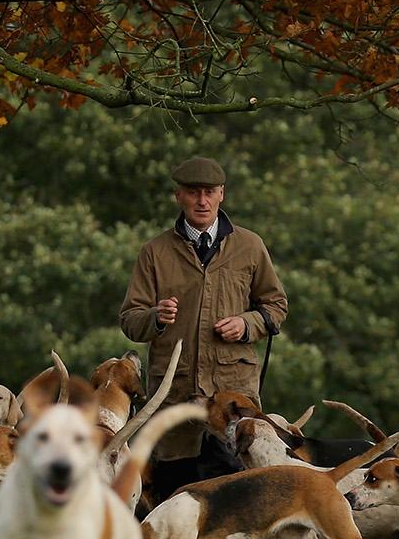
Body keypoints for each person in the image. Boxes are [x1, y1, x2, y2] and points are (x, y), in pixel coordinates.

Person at [118, 156, 288, 462]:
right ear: (179, 195)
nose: (202, 200)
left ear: (221, 194)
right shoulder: (154, 252)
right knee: (174, 489)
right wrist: (155, 317)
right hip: (174, 397)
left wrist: (246, 323)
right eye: (193, 192)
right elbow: (130, 320)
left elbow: (276, 306)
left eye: (209, 192)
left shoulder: (250, 246)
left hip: (233, 401)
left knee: (241, 487)